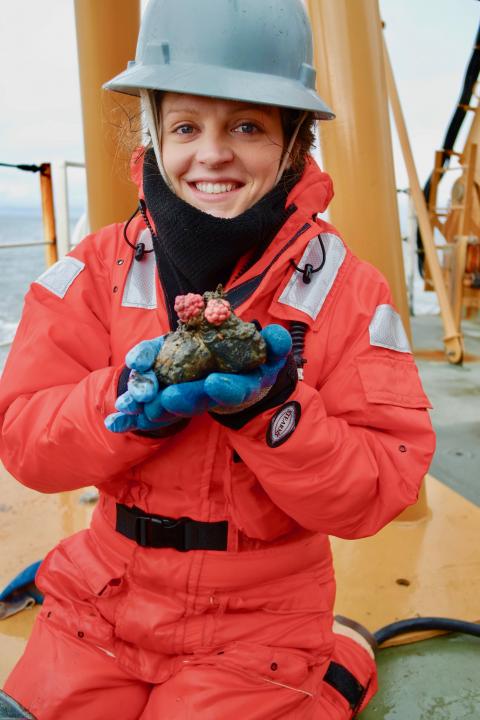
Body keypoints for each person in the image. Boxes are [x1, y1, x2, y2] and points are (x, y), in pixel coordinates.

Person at [0, 0, 435, 718]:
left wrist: (276, 413)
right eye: (186, 126)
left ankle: (335, 671)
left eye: (246, 126)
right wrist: (125, 404)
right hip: (102, 599)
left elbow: (380, 486)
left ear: (294, 143)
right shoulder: (97, 267)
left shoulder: (348, 291)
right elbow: (23, 439)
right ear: (155, 134)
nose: (212, 153)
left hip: (261, 619)